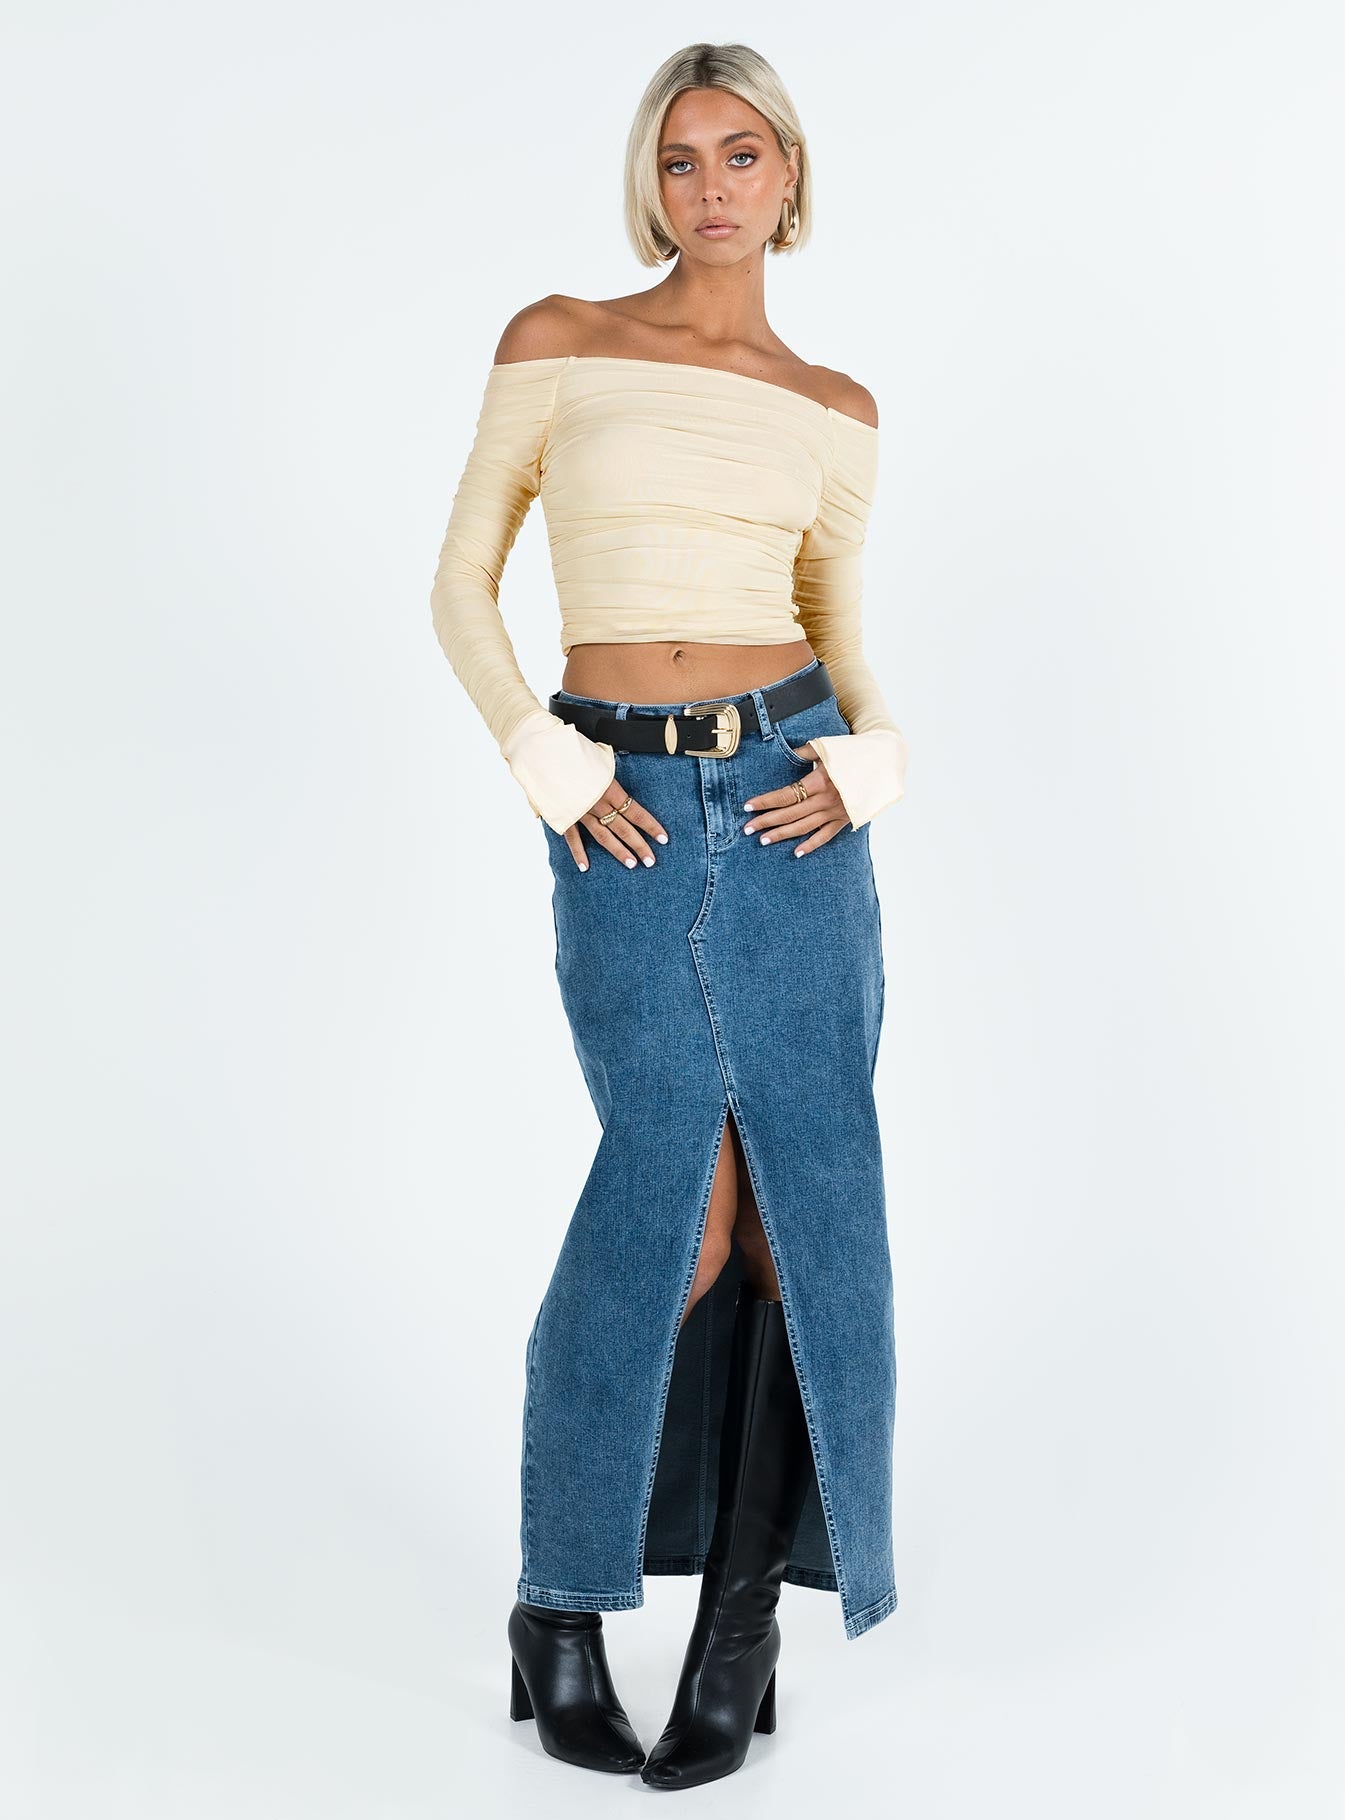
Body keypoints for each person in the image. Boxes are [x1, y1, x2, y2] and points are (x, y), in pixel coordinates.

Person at [429, 40, 910, 1791]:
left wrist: (874, 759)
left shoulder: (834, 404)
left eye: (743, 154)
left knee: (798, 1216)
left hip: (792, 803)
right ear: (652, 179)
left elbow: (834, 618)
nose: (712, 188)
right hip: (618, 805)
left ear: (790, 176)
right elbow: (460, 582)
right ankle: (556, 1606)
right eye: (683, 158)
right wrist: (541, 757)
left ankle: (738, 1632)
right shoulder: (559, 338)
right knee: (670, 1210)